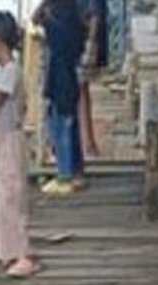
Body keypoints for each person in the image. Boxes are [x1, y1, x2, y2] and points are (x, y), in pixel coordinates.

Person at [0, 12, 37, 278]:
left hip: (9, 143)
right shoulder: (4, 72)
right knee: (2, 200)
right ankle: (8, 252)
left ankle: (24, 254)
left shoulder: (10, 72)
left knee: (12, 199)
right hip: (0, 142)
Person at [34, 0, 86, 195]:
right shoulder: (73, 17)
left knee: (61, 128)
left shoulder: (55, 20)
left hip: (60, 80)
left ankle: (65, 176)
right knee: (69, 127)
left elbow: (34, 19)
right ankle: (75, 172)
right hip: (68, 79)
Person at [78, 0, 109, 157]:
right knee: (81, 91)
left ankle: (88, 143)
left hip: (81, 41)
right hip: (77, 37)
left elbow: (95, 13)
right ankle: (87, 142)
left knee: (80, 90)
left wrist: (90, 42)